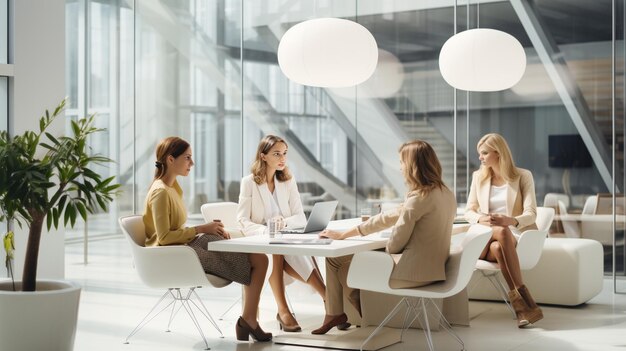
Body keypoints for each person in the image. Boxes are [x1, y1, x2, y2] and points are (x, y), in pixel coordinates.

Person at [315, 140, 456, 335]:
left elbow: (394, 247)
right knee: (335, 258)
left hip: (412, 275)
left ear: (412, 166)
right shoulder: (444, 193)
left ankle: (363, 311)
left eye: (401, 162)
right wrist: (345, 234)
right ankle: (335, 314)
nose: (400, 168)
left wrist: (392, 236)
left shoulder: (418, 198)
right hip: (434, 269)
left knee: (345, 267)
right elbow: (387, 217)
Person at [142, 136, 271, 342]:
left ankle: (248, 319)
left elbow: (176, 229)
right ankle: (249, 321)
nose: (192, 163)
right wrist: (202, 228)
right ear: (170, 160)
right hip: (176, 255)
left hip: (186, 248)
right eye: (187, 158)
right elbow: (164, 238)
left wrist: (210, 230)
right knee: (258, 261)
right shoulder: (160, 193)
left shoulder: (173, 189)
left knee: (260, 258)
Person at [237, 135, 327, 333]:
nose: (282, 158)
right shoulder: (249, 182)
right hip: (260, 238)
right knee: (277, 248)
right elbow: (242, 220)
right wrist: (267, 229)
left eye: (285, 153)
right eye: (276, 154)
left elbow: (300, 217)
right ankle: (319, 301)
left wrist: (283, 223)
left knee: (289, 248)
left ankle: (320, 300)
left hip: (284, 236)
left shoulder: (287, 180)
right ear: (263, 156)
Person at [464, 133, 543, 328]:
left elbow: (531, 213)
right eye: (479, 154)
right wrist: (481, 218)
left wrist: (511, 220)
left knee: (500, 246)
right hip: (482, 236)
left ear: (498, 153)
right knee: (501, 233)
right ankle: (525, 299)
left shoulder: (523, 176)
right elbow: (468, 211)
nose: (480, 158)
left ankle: (522, 309)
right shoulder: (478, 177)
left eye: (484, 153)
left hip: (509, 235)